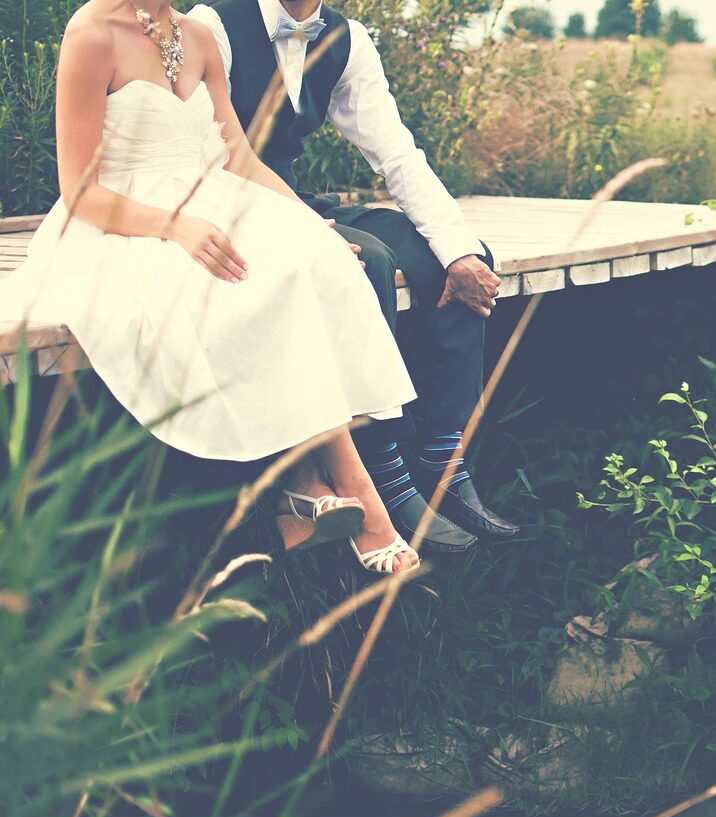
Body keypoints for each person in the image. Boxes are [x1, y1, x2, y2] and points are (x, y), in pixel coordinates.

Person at [0, 0, 421, 574]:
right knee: (240, 288)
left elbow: (238, 158)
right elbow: (78, 189)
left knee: (313, 263)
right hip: (126, 220)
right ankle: (360, 498)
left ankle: (308, 487)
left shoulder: (197, 35)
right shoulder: (91, 33)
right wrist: (174, 227)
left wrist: (304, 220)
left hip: (211, 199)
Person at [187, 0, 520, 552]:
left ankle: (442, 463)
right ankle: (381, 470)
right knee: (368, 262)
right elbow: (208, 149)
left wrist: (458, 250)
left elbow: (396, 153)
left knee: (455, 255)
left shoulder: (346, 37)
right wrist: (310, 228)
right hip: (226, 209)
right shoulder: (215, 22)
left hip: (295, 201)